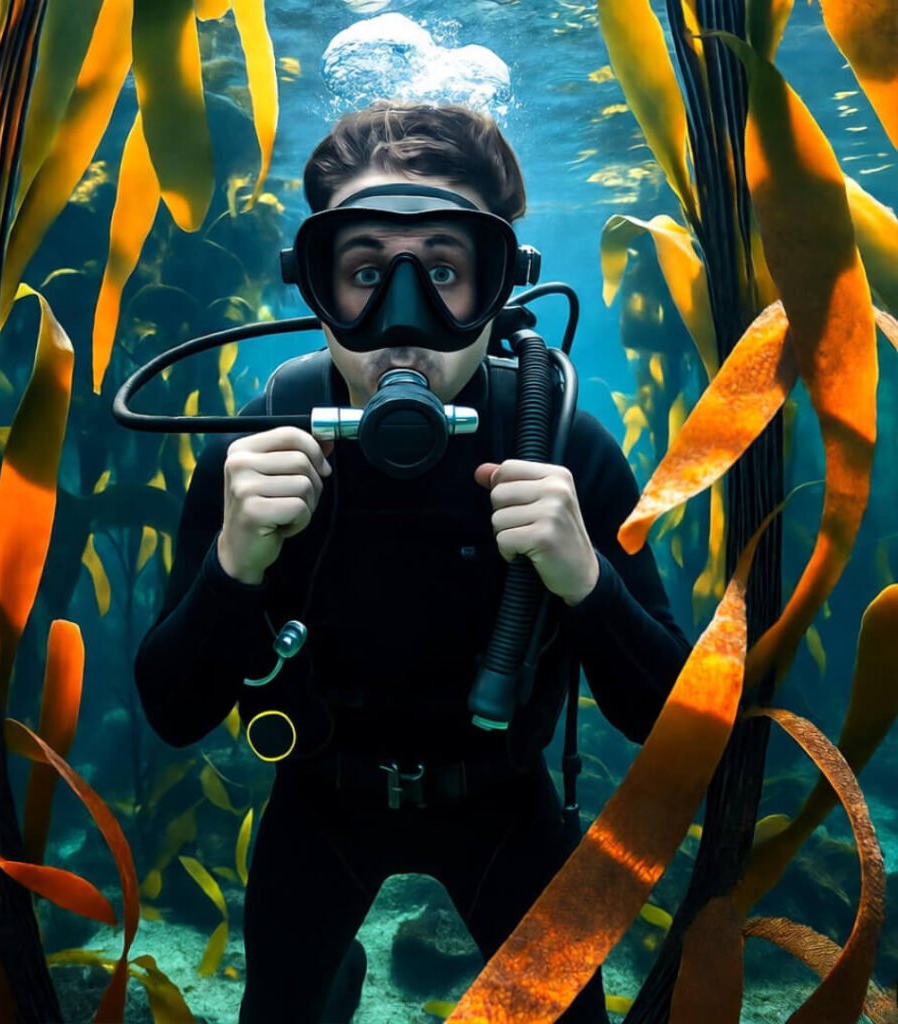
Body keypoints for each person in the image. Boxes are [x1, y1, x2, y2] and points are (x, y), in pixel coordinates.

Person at [135, 101, 692, 1024]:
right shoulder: (259, 449)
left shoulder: (563, 447)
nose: (405, 323)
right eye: (364, 273)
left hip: (507, 808)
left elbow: (664, 725)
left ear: (501, 285)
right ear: (316, 287)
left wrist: (585, 576)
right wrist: (232, 562)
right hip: (318, 805)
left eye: (443, 271)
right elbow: (174, 713)